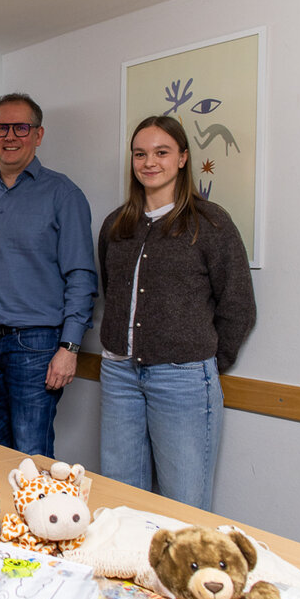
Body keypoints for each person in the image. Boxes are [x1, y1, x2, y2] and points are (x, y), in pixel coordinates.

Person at [98, 115, 255, 510]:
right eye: (140, 154)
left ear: (183, 158)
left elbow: (238, 304)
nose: (149, 162)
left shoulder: (211, 224)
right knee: (120, 501)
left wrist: (205, 362)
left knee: (183, 504)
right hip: (119, 374)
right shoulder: (115, 226)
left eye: (161, 152)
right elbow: (112, 291)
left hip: (183, 380)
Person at [0, 93, 97, 457]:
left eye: (22, 127)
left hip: (34, 346)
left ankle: (36, 513)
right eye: (2, 127)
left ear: (38, 134)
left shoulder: (63, 194)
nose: (11, 136)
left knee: (32, 454)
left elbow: (81, 275)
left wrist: (69, 348)